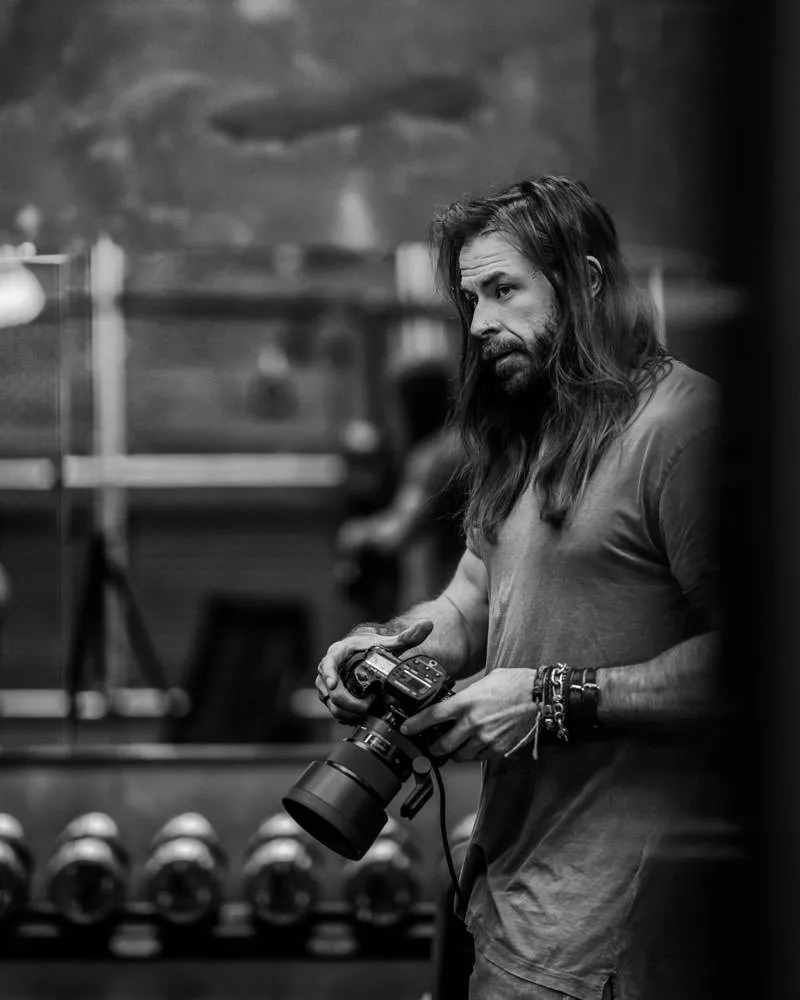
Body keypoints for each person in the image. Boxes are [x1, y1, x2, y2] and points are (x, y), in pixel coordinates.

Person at [315, 176, 722, 1000]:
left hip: (615, 932)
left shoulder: (683, 431)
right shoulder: (523, 430)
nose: (480, 324)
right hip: (504, 895)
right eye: (470, 299)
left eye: (504, 290)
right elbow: (469, 599)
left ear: (587, 282)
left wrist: (552, 695)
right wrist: (383, 647)